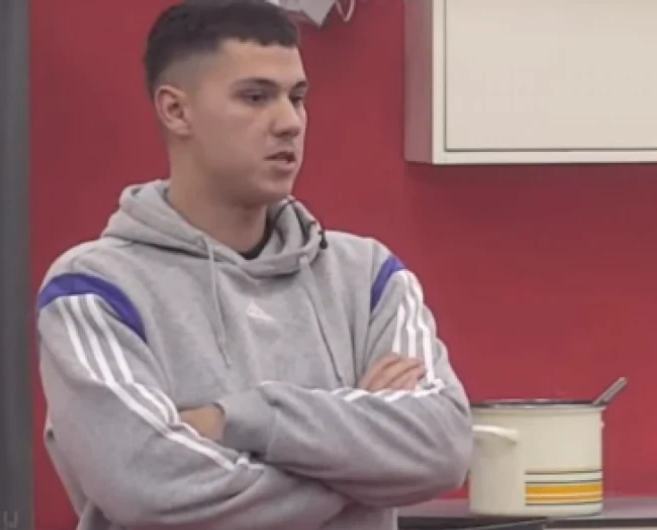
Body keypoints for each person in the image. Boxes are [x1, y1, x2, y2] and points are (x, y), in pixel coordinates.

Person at [35, 1, 474, 529]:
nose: (289, 122)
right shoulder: (92, 291)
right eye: (255, 97)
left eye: (297, 98)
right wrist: (362, 459)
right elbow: (150, 488)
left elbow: (442, 445)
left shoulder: (369, 278)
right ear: (176, 110)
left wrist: (233, 420)